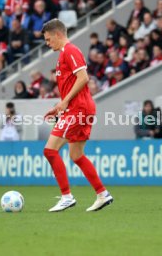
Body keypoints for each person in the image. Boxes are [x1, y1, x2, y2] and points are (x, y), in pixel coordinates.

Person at [42, 19, 113, 212]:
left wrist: (65, 102)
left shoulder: (70, 50)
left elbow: (83, 78)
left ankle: (66, 197)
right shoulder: (64, 54)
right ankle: (102, 194)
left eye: (48, 40)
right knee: (76, 154)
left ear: (58, 34)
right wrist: (60, 106)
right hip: (77, 108)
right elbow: (71, 84)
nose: (47, 44)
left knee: (50, 151)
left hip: (78, 109)